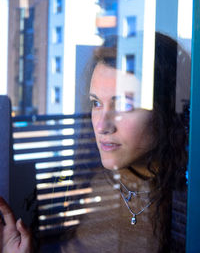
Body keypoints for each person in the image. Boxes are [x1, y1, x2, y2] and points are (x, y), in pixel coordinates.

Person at [0, 33, 189, 253]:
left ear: (166, 111)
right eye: (96, 103)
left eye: (124, 105)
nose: (101, 126)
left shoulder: (186, 208)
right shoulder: (85, 189)